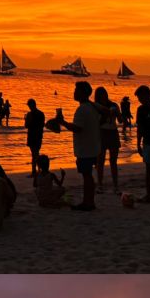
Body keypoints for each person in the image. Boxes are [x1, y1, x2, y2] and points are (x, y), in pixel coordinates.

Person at [57, 81, 101, 211]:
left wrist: (62, 122)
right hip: (92, 146)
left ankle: (88, 203)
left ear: (82, 93)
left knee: (86, 176)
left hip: (85, 148)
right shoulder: (92, 107)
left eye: (76, 90)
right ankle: (89, 201)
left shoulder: (82, 109)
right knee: (88, 175)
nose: (74, 93)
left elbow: (78, 128)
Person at [93, 86, 122, 192]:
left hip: (113, 132)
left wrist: (118, 114)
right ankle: (100, 184)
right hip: (102, 133)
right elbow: (96, 123)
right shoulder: (96, 107)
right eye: (100, 95)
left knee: (113, 161)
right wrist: (106, 114)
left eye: (104, 94)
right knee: (100, 160)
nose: (103, 96)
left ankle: (115, 185)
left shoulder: (114, 105)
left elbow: (120, 121)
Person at [24, 98, 46, 182]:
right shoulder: (41, 114)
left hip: (32, 136)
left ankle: (34, 172)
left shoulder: (29, 114)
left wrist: (25, 119)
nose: (29, 107)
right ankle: (39, 170)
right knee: (36, 153)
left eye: (29, 105)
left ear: (31, 105)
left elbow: (26, 126)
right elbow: (42, 125)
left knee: (34, 154)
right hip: (39, 135)